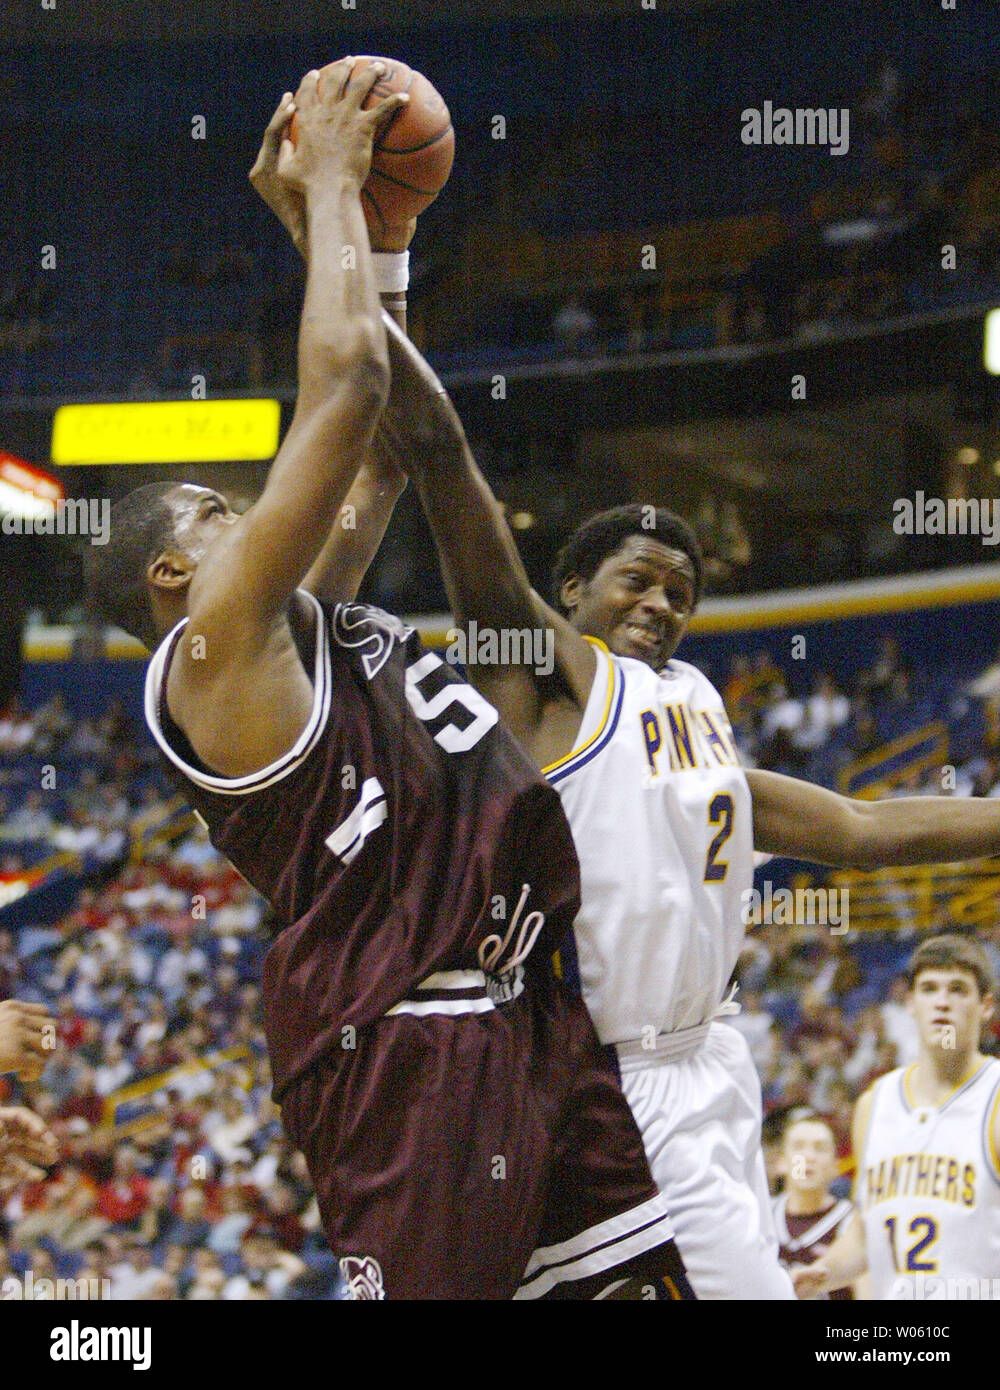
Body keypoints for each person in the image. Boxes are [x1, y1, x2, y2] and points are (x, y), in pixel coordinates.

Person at [83, 63, 681, 1301]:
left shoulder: (302, 617)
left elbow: (393, 452)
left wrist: (381, 245)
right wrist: (340, 192)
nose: (242, 505)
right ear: (168, 571)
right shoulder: (218, 642)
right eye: (211, 505)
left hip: (516, 1008)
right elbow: (345, 387)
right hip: (406, 1037)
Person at [343, 309, 1000, 1298]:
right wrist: (375, 286)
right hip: (615, 1080)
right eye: (636, 580)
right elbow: (464, 513)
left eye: (681, 592)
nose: (661, 602)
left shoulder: (694, 703)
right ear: (571, 591)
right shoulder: (542, 687)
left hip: (715, 1061)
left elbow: (859, 830)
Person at [794, 934, 1000, 1300]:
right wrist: (825, 1272)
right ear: (910, 1003)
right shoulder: (874, 1104)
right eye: (929, 989)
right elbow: (865, 1230)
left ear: (985, 1006)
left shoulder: (994, 1096)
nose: (942, 1003)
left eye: (957, 990)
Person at [772, 1112, 855, 1299]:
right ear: (781, 1163)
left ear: (836, 1165)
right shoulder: (760, 1217)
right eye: (798, 1147)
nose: (809, 1157)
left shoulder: (853, 1223)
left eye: (820, 1148)